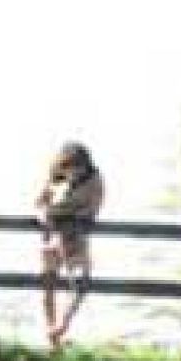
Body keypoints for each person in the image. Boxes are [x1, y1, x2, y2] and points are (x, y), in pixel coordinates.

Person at [35, 141, 104, 347]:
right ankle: (52, 337)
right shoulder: (55, 177)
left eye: (75, 168)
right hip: (53, 236)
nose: (71, 173)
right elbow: (40, 204)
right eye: (67, 168)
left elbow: (90, 209)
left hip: (77, 237)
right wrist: (45, 215)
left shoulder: (95, 182)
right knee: (47, 284)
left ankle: (62, 326)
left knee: (81, 283)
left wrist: (58, 212)